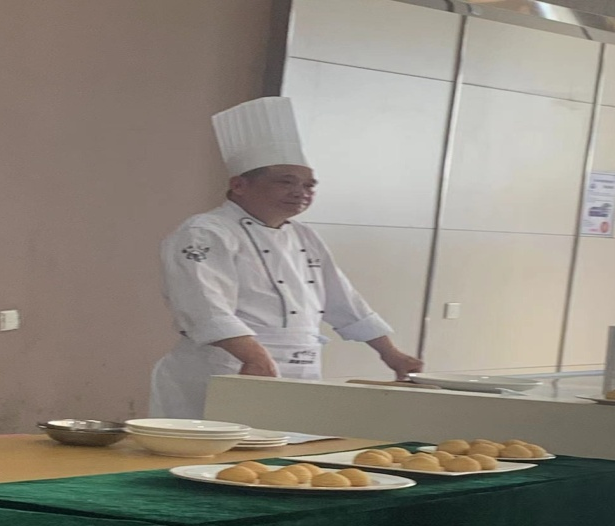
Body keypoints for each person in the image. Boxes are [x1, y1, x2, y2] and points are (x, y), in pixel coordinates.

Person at [149, 97, 422, 418]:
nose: (300, 192)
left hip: (301, 372)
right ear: (239, 185)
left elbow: (344, 302)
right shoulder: (205, 232)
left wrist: (391, 354)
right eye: (286, 182)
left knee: (293, 448)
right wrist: (254, 357)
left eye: (309, 185)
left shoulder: (305, 236)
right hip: (228, 369)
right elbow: (202, 305)